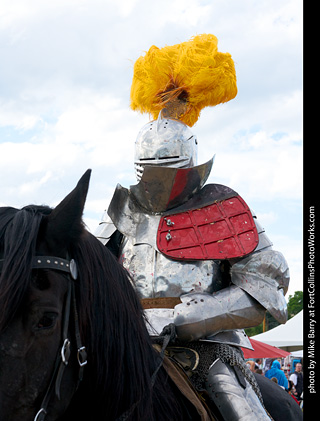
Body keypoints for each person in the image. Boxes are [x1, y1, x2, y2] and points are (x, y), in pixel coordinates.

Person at [96, 34, 290, 421]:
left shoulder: (224, 209)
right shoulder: (122, 211)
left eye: (164, 168)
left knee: (239, 409)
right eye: (147, 169)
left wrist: (195, 316)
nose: (154, 179)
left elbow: (270, 288)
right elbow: (89, 273)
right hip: (128, 343)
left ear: (190, 166)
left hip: (208, 348)